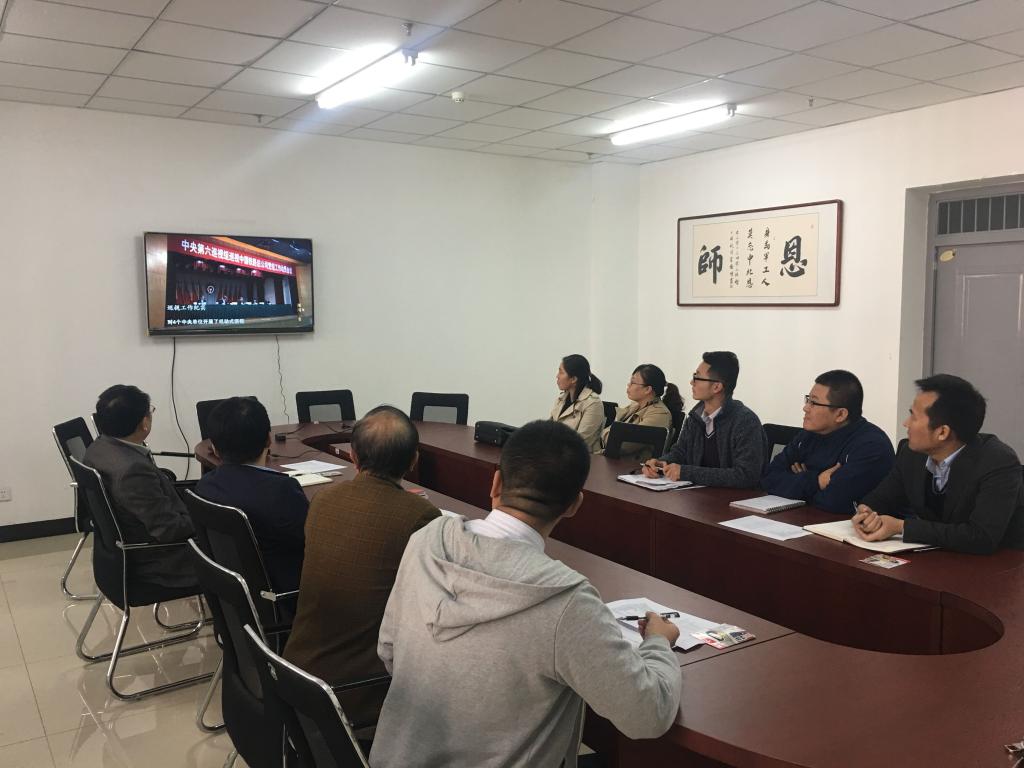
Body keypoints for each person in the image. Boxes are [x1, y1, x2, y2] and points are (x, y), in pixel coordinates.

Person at [371, 420, 682, 768]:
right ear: (574, 505)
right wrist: (658, 642)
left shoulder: (426, 541)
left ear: (495, 483)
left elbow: (388, 650)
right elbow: (647, 715)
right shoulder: (566, 602)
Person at [284, 406, 440, 692]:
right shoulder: (421, 516)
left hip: (297, 669)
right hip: (357, 687)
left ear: (353, 456)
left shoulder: (322, 499)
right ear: (414, 460)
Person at [853, 374, 1024, 554]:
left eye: (913, 417)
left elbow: (981, 537)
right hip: (936, 557)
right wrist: (866, 513)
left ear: (942, 432)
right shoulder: (911, 454)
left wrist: (902, 527)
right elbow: (880, 499)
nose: (906, 423)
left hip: (996, 563)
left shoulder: (997, 462)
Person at [83, 384, 196, 589]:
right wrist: (208, 518)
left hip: (127, 547)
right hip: (161, 562)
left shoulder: (98, 448)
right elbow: (170, 530)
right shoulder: (132, 471)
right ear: (144, 423)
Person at [195, 396, 307, 594]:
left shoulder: (205, 485)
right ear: (269, 439)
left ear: (215, 448)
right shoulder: (281, 492)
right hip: (287, 595)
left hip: (236, 592)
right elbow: (313, 542)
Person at [760, 370, 894, 513]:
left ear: (840, 414)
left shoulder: (871, 446)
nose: (805, 408)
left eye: (814, 402)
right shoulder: (808, 435)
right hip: (802, 518)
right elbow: (768, 479)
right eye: (808, 399)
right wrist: (817, 480)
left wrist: (797, 482)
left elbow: (834, 501)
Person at [643, 351, 767, 488]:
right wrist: (661, 463)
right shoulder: (695, 417)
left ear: (716, 387)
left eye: (697, 377)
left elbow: (746, 476)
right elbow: (681, 452)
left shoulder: (745, 421)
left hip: (735, 499)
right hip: (697, 495)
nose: (692, 382)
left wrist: (686, 472)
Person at [601, 363, 684, 461]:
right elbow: (611, 434)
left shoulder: (659, 414)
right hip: (615, 461)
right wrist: (609, 435)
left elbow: (622, 445)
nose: (628, 385)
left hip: (631, 466)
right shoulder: (634, 406)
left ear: (648, 389)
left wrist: (607, 434)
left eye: (633, 382)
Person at [550, 353, 604, 453]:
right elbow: (548, 429)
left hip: (581, 457)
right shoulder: (561, 399)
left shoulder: (593, 404)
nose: (557, 376)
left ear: (574, 379)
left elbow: (580, 442)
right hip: (557, 454)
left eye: (561, 372)